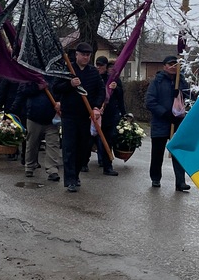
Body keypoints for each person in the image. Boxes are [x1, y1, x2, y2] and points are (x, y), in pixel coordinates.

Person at [53, 43, 103, 192]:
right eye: (83, 54)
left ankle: (76, 174)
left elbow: (100, 91)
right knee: (69, 147)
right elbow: (55, 88)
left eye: (88, 55)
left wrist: (96, 107)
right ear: (76, 55)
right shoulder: (68, 69)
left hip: (85, 116)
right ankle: (70, 180)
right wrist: (70, 84)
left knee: (84, 148)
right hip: (69, 115)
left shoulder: (93, 72)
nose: (86, 57)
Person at [144, 55, 192, 192]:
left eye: (175, 64)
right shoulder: (157, 82)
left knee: (178, 151)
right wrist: (164, 113)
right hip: (161, 122)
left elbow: (190, 99)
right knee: (157, 153)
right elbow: (150, 102)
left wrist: (181, 94)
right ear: (164, 66)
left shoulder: (182, 82)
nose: (173, 67)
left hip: (177, 122)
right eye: (170, 64)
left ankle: (180, 182)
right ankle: (155, 178)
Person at [14, 77, 62, 182]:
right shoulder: (31, 74)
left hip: (52, 118)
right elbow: (23, 90)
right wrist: (37, 87)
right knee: (32, 143)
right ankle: (29, 166)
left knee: (53, 144)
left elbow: (62, 90)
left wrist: (60, 102)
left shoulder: (56, 75)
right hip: (34, 116)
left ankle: (52, 170)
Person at [95, 56, 125, 176]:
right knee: (90, 139)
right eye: (97, 65)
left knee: (108, 139)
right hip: (95, 112)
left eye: (101, 65)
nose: (99, 67)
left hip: (109, 114)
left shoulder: (113, 80)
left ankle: (107, 166)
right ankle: (83, 163)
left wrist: (124, 113)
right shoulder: (95, 78)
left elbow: (120, 96)